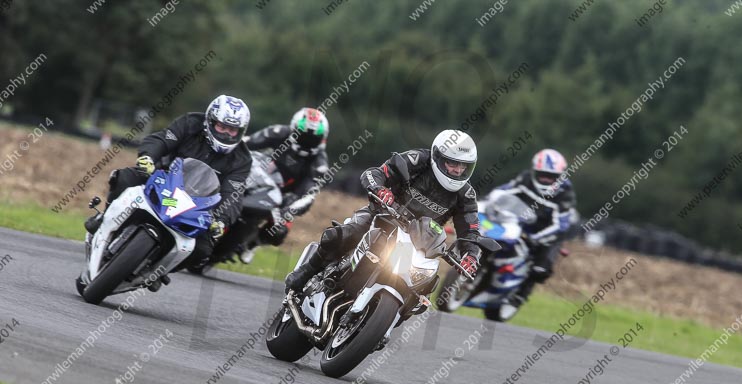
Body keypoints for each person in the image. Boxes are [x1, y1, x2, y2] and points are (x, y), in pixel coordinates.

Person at [285, 129, 483, 292]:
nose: (458, 170)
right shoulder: (417, 160)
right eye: (452, 163)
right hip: (382, 216)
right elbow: (375, 173)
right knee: (343, 235)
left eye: (464, 166)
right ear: (437, 157)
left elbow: (470, 231)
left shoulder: (466, 195)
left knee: (426, 287)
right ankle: (307, 271)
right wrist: (380, 189)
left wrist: (471, 256)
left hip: (420, 242)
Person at [85, 95, 252, 274]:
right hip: (161, 180)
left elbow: (232, 194)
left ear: (241, 131)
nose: (226, 133)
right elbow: (161, 139)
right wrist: (148, 157)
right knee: (125, 177)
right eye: (222, 127)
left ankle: (154, 273)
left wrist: (221, 220)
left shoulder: (242, 159)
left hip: (197, 206)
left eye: (232, 130)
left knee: (201, 251)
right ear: (210, 121)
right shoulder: (190, 123)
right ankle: (103, 219)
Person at [487, 148, 577, 307]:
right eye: (542, 175)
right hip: (521, 220)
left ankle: (521, 294)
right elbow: (505, 189)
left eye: (551, 176)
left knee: (540, 268)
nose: (546, 179)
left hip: (548, 231)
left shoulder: (565, 193)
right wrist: (490, 200)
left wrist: (536, 238)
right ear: (534, 171)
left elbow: (560, 225)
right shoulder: (526, 178)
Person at [241, 108, 330, 263]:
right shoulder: (278, 132)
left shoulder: (319, 164)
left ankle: (253, 244)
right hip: (256, 178)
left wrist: (287, 211)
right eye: (303, 136)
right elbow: (246, 143)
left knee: (278, 232)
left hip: (282, 198)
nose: (307, 141)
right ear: (293, 130)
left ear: (322, 139)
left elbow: (308, 196)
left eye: (313, 139)